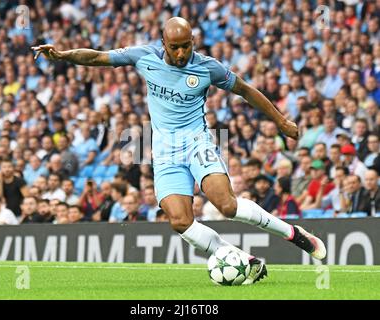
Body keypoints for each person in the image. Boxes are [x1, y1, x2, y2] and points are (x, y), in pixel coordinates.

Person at [32, 17, 326, 285]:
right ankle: (237, 258)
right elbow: (97, 57)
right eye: (175, 48)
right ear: (164, 45)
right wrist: (63, 55)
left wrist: (281, 121)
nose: (181, 53)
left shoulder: (208, 67)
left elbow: (246, 90)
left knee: (227, 205)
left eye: (186, 46)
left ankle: (293, 234)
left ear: (193, 43)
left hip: (197, 142)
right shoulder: (144, 56)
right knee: (180, 221)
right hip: (165, 153)